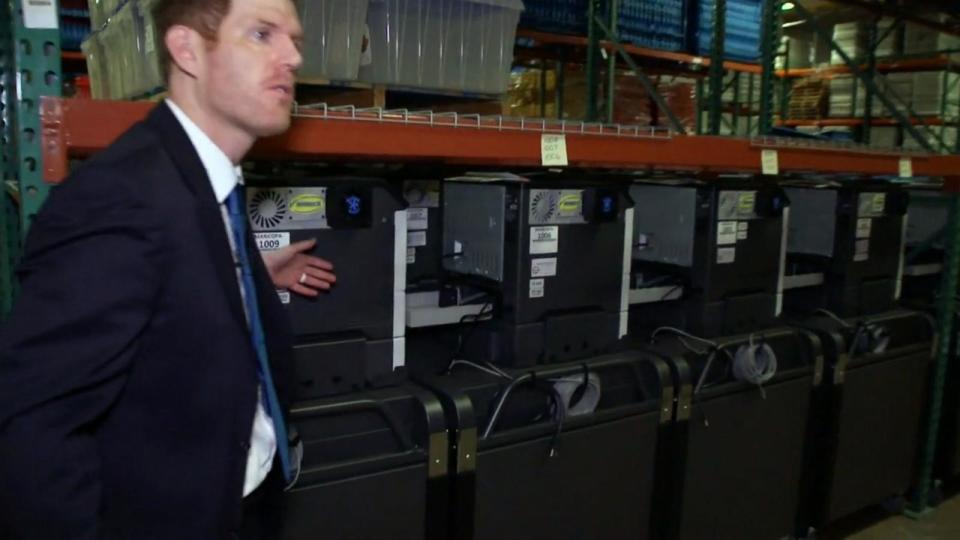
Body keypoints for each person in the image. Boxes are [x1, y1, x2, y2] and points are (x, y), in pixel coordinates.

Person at [0, 0, 333, 538]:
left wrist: (241, 276)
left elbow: (156, 281)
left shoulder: (204, 178)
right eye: (262, 35)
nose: (293, 56)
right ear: (187, 51)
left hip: (242, 500)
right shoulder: (119, 196)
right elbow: (33, 426)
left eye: (294, 39)